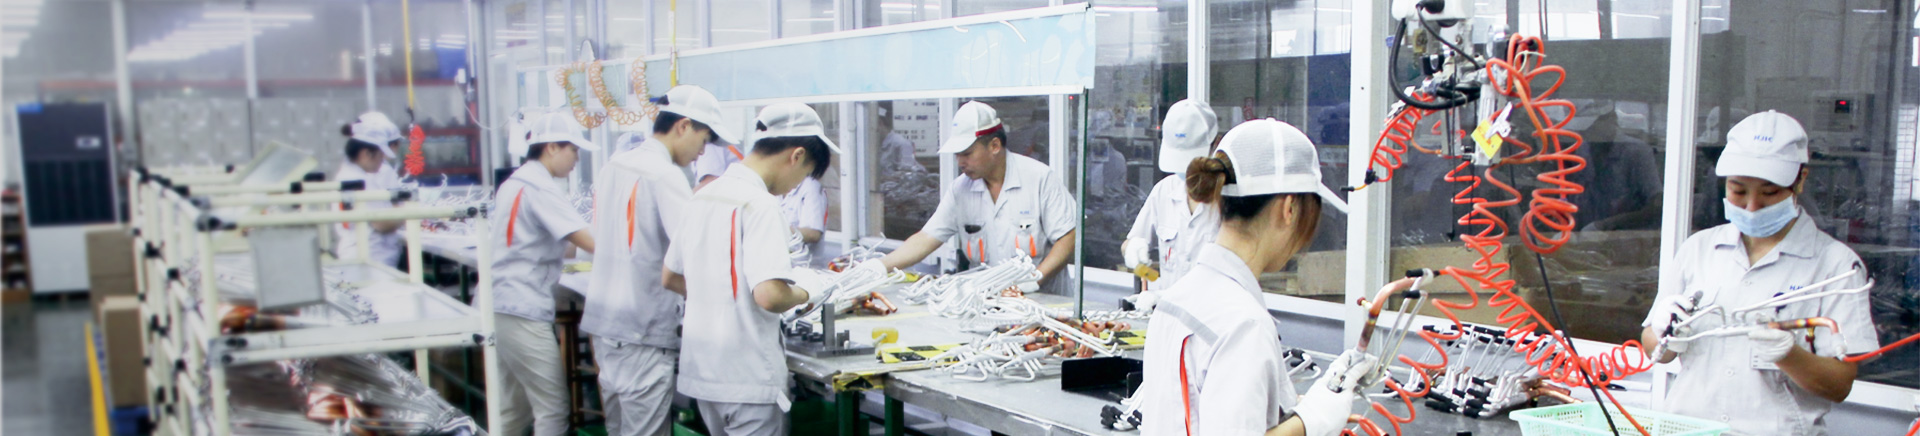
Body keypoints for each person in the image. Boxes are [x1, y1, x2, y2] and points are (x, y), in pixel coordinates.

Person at [1137, 119, 1392, 436]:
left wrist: (1305, 403)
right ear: (1289, 208)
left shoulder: (1178, 297)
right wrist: (1310, 421)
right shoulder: (1244, 324)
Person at [1640, 111, 1879, 435]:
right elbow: (1656, 350)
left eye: (1769, 193)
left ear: (1800, 180)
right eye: (1738, 191)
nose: (1752, 206)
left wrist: (1788, 355)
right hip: (1689, 429)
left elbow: (1839, 385)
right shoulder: (1699, 249)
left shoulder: (1836, 265)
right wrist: (1664, 331)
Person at [665, 103, 857, 436]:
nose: (796, 185)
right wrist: (808, 289)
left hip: (704, 375)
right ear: (796, 156)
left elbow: (670, 277)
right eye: (805, 175)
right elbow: (770, 296)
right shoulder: (760, 204)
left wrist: (726, 300)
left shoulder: (703, 196)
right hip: (747, 379)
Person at [582, 85, 733, 436]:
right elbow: (694, 252)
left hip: (605, 326)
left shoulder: (614, 165)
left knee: (618, 429)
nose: (702, 152)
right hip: (642, 330)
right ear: (683, 126)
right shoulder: (664, 175)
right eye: (704, 140)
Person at [878, 101, 1080, 293]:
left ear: (994, 146)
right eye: (957, 155)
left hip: (1045, 300)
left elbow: (1068, 237)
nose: (960, 162)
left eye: (967, 154)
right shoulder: (960, 190)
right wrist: (879, 267)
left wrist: (1035, 279)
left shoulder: (1039, 179)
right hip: (988, 301)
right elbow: (926, 238)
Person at [489, 111, 599, 436]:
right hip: (521, 307)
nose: (577, 159)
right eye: (573, 150)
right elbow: (590, 241)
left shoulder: (516, 182)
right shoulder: (540, 187)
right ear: (551, 147)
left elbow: (560, 244)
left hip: (499, 304)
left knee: (514, 409)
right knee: (552, 407)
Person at [1122, 100, 1221, 301]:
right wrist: (1133, 249)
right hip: (1169, 313)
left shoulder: (1230, 200)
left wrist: (1169, 296)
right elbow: (1131, 241)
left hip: (1214, 314)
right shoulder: (1164, 191)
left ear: (1216, 145)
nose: (1187, 172)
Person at [335, 112, 407, 268]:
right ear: (366, 153)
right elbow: (381, 223)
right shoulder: (360, 181)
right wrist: (410, 213)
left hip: (360, 254)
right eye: (380, 155)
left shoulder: (349, 175)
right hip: (371, 258)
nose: (382, 161)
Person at [778, 175, 827, 266]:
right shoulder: (774, 187)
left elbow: (813, 234)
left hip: (803, 267)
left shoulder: (811, 187)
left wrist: (776, 229)